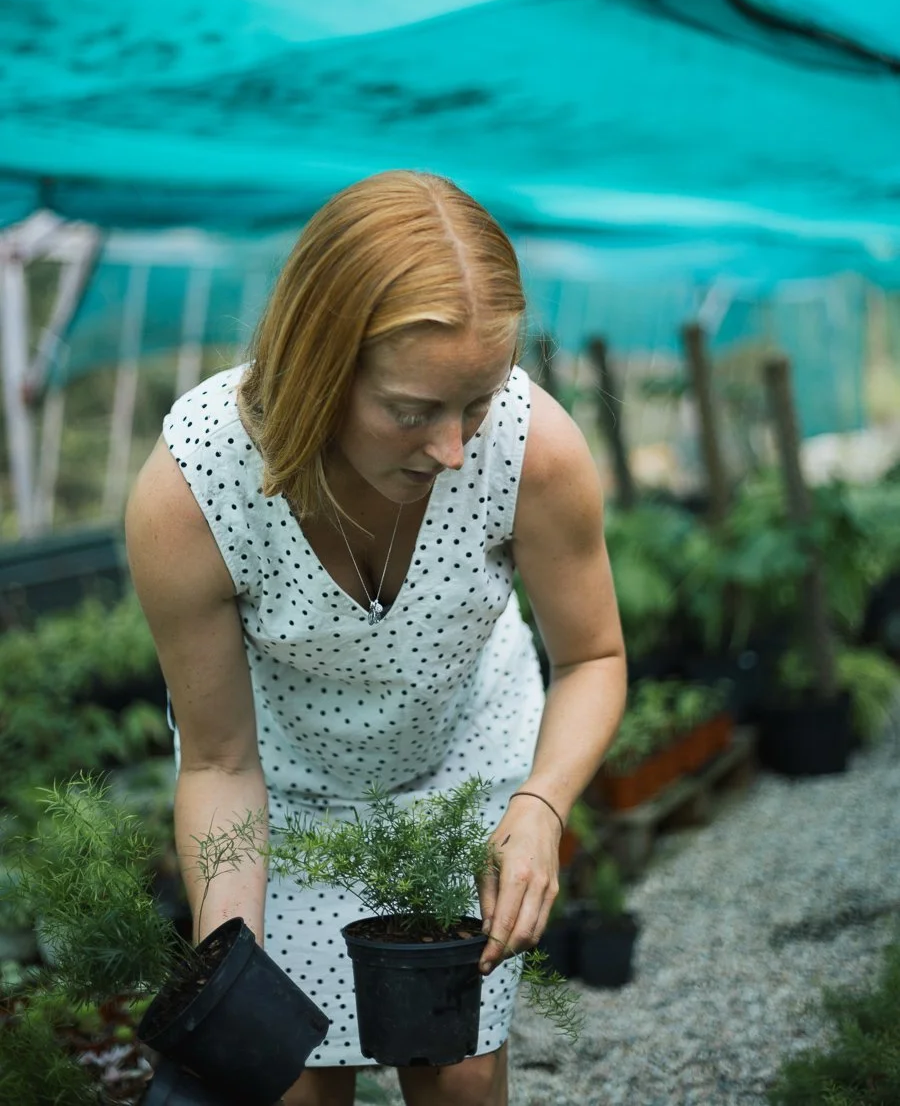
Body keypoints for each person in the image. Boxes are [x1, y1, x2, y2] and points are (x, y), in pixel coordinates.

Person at [125, 169, 627, 1106]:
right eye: (413, 410)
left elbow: (594, 658)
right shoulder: (193, 489)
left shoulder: (534, 451)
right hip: (288, 800)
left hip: (466, 776)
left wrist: (542, 806)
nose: (453, 450)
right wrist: (229, 974)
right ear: (319, 367)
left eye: (475, 403)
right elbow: (221, 760)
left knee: (459, 1078)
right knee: (294, 1085)